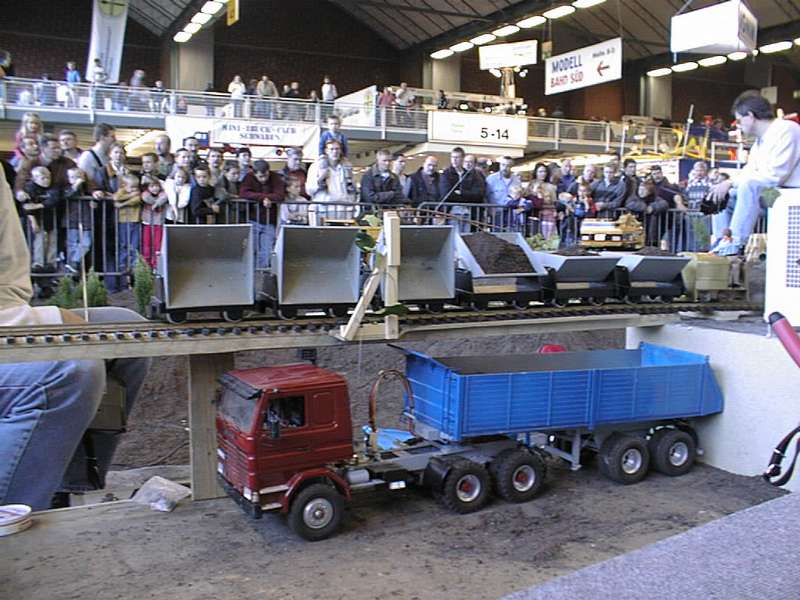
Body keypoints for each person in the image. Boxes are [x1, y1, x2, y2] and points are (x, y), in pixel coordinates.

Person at [710, 90, 800, 252]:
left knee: (749, 185)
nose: (738, 125)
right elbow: (749, 170)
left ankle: (733, 244)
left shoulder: (787, 129)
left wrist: (731, 182)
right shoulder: (759, 143)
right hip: (773, 193)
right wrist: (725, 185)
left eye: (738, 120)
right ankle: (721, 241)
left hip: (790, 194)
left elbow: (775, 176)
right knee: (722, 196)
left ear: (750, 116)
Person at [240, 160, 285, 268]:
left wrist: (267, 198)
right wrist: (264, 198)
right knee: (251, 250)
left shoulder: (275, 177)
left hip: (269, 221)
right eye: (260, 176)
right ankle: (251, 275)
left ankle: (263, 273)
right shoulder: (249, 177)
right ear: (254, 174)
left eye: (266, 175)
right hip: (253, 219)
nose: (264, 179)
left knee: (266, 251)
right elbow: (243, 193)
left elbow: (280, 195)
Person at [22, 166, 61, 272]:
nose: (47, 180)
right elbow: (27, 207)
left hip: (52, 219)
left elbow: (54, 199)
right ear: (35, 179)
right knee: (39, 241)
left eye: (48, 177)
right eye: (43, 178)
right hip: (38, 220)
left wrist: (38, 205)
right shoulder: (30, 188)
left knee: (52, 242)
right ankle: (38, 263)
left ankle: (51, 263)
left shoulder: (54, 187)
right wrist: (33, 222)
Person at [306, 139, 356, 221]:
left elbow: (352, 189)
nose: (335, 152)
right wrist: (321, 178)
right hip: (323, 209)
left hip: (343, 210)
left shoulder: (346, 168)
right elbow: (309, 190)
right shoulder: (316, 166)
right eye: (331, 149)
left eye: (337, 149)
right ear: (326, 151)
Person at [112, 173, 142, 290]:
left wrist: (122, 204)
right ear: (124, 185)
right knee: (123, 244)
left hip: (135, 220)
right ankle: (122, 267)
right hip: (123, 221)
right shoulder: (121, 191)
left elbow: (137, 199)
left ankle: (134, 268)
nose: (135, 190)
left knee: (134, 246)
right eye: (132, 187)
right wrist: (128, 195)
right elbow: (115, 198)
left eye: (136, 187)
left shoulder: (136, 193)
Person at [64, 167, 94, 273]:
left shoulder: (88, 189)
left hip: (87, 221)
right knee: (72, 245)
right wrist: (75, 186)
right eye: (72, 177)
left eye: (78, 176)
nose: (76, 179)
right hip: (72, 221)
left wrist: (94, 203)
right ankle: (70, 271)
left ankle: (74, 261)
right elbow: (67, 195)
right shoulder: (67, 188)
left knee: (86, 243)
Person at [485, 155, 521, 226]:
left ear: (511, 167)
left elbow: (519, 195)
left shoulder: (517, 180)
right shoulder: (491, 179)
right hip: (496, 213)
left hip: (512, 214)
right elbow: (485, 196)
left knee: (511, 235)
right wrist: (489, 210)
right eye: (503, 165)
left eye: (508, 166)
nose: (505, 168)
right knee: (496, 235)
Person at [141, 178, 167, 268]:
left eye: (156, 186)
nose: (155, 188)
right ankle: (147, 265)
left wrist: (156, 204)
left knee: (157, 245)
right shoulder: (146, 194)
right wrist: (156, 203)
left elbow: (164, 197)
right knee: (147, 244)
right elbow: (145, 197)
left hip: (158, 223)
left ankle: (157, 265)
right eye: (152, 186)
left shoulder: (163, 195)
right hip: (147, 222)